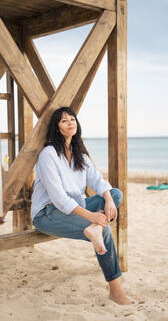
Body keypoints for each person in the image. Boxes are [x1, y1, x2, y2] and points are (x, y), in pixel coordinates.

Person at [31, 107, 131, 305]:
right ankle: (116, 291)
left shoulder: (80, 156)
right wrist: (92, 217)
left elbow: (99, 182)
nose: (70, 123)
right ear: (57, 128)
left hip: (77, 208)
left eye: (72, 119)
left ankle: (95, 229)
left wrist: (109, 200)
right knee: (105, 229)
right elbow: (58, 198)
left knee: (115, 194)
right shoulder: (48, 155)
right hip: (47, 213)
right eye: (64, 121)